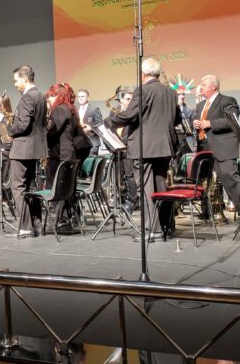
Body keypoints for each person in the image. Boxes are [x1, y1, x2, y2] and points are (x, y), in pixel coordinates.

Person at [108, 58, 180, 240]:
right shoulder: (170, 92)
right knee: (161, 186)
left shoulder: (143, 90)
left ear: (143, 74)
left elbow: (130, 115)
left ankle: (152, 230)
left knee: (147, 189)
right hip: (165, 146)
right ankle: (165, 226)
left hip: (145, 148)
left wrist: (109, 121)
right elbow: (177, 118)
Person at [191, 75, 240, 218]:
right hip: (204, 147)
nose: (200, 87)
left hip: (222, 146)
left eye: (204, 85)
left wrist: (210, 124)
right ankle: (207, 211)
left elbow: (232, 120)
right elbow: (196, 121)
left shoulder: (227, 101)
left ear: (213, 87)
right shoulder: (200, 105)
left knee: (230, 178)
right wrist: (194, 124)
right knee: (205, 181)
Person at [7, 65, 47, 237]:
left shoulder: (26, 97)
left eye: (16, 81)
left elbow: (22, 125)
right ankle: (36, 225)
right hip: (35, 149)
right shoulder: (40, 95)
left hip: (23, 149)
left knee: (17, 187)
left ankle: (25, 227)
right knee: (31, 186)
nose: (15, 84)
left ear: (24, 79)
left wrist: (9, 129)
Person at [45, 83, 80, 226]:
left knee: (59, 187)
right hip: (68, 152)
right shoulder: (70, 109)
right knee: (66, 187)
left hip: (62, 155)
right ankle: (67, 216)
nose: (49, 99)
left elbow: (51, 131)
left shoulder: (59, 110)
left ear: (57, 96)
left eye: (51, 96)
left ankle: (61, 217)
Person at [106, 89, 137, 212]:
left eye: (131, 99)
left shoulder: (133, 113)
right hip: (117, 149)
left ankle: (133, 200)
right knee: (118, 176)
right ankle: (122, 198)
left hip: (128, 148)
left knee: (130, 176)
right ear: (121, 100)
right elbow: (109, 127)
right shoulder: (114, 113)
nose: (130, 101)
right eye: (128, 99)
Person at [76, 89, 103, 155]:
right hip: (80, 143)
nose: (80, 98)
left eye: (82, 96)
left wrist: (91, 128)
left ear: (88, 97)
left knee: (90, 162)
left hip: (92, 141)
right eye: (79, 97)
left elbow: (100, 124)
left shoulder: (94, 109)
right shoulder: (75, 110)